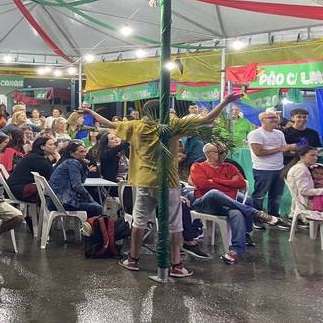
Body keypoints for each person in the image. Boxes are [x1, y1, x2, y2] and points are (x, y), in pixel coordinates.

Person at [83, 92, 241, 277]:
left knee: (139, 221)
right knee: (174, 224)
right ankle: (176, 265)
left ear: (146, 112)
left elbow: (108, 124)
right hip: (168, 181)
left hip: (143, 181)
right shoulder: (172, 126)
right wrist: (224, 102)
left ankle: (133, 260)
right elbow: (207, 118)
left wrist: (91, 113)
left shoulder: (135, 126)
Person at [189, 142, 280, 264]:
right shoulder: (198, 166)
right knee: (214, 193)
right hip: (205, 203)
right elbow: (203, 185)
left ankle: (235, 251)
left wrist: (215, 180)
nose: (223, 154)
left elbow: (241, 184)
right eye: (218, 152)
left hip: (227, 204)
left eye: (223, 151)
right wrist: (228, 183)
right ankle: (255, 213)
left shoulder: (230, 167)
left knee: (237, 212)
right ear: (208, 154)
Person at [248, 111, 295, 227]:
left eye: (276, 118)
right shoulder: (255, 134)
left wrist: (296, 149)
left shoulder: (279, 133)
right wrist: (281, 149)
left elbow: (284, 150)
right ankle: (256, 218)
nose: (275, 120)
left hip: (279, 168)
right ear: (262, 120)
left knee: (276, 196)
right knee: (259, 195)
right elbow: (258, 152)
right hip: (263, 169)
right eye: (271, 118)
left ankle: (274, 217)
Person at [49, 141, 102, 217]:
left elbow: (81, 181)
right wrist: (90, 199)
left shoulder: (68, 162)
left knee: (94, 204)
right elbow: (77, 186)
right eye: (81, 151)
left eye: (85, 151)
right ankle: (86, 227)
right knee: (97, 207)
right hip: (64, 202)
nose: (84, 154)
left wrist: (85, 167)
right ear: (72, 153)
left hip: (56, 201)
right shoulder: (72, 163)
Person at [8, 136, 58, 202]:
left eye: (54, 144)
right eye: (51, 144)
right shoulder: (37, 159)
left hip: (17, 187)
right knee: (54, 189)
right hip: (19, 190)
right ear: (42, 147)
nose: (54, 146)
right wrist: (58, 158)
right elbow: (53, 175)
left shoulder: (36, 156)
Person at [284, 146, 323, 217]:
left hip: (309, 200)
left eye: (316, 156)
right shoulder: (300, 169)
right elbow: (304, 191)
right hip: (307, 203)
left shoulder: (305, 167)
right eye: (312, 155)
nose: (315, 158)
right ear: (301, 156)